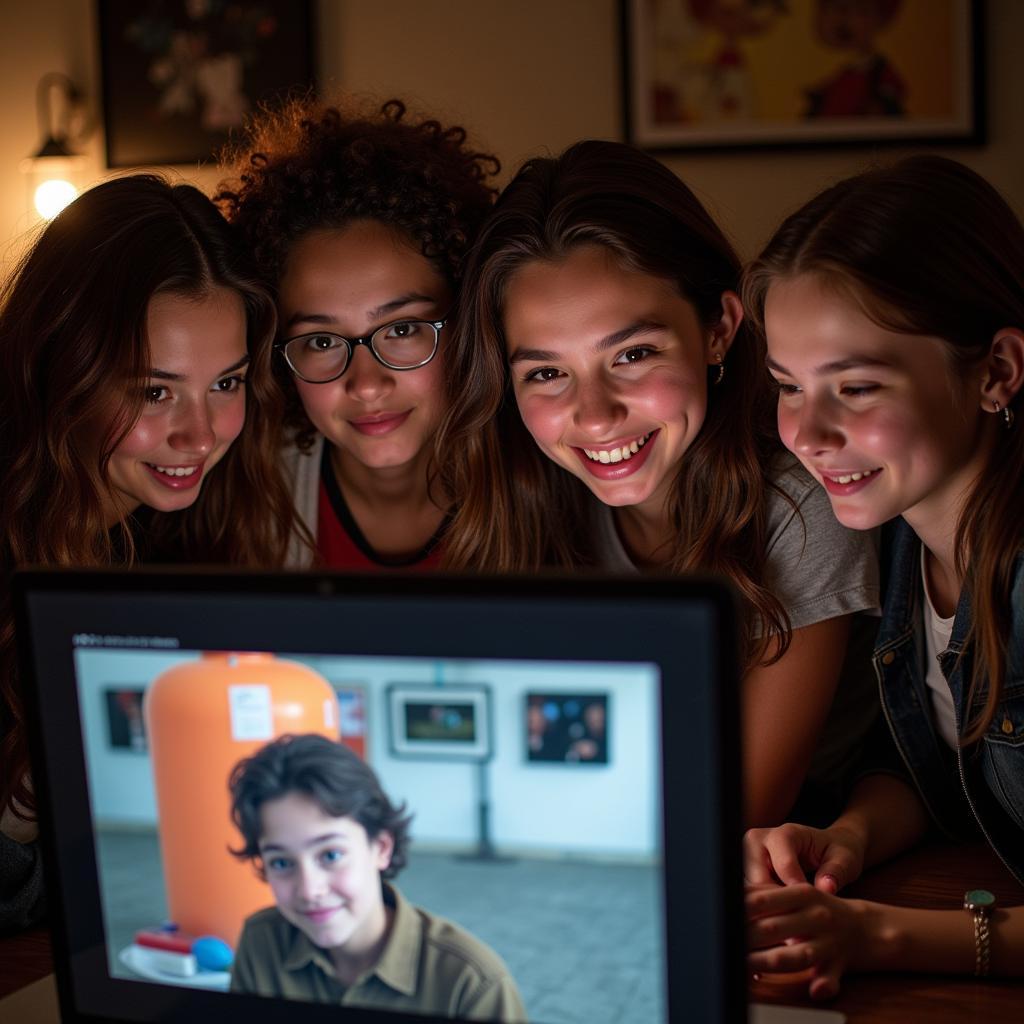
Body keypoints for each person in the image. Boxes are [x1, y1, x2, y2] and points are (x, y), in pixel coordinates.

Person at [435, 140, 880, 828]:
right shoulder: (524, 499)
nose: (595, 414)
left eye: (633, 354)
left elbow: (738, 811)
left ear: (718, 329)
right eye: (546, 373)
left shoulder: (799, 500)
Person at [741, 155, 1024, 994]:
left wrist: (876, 934)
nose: (808, 433)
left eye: (856, 387)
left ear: (997, 372)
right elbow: (937, 763)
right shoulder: (901, 539)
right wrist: (853, 836)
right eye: (788, 386)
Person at [0, 174, 294, 931]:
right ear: (64, 370)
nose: (200, 434)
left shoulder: (185, 530)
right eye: (154, 391)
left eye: (224, 383)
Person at [216, 97, 499, 569]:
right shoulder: (239, 497)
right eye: (322, 342)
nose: (367, 384)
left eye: (403, 328)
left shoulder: (550, 476)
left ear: (467, 318)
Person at [228, 733, 526, 1020]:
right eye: (281, 862)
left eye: (331, 855)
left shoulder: (471, 983)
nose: (309, 890)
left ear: (381, 848)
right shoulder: (262, 942)